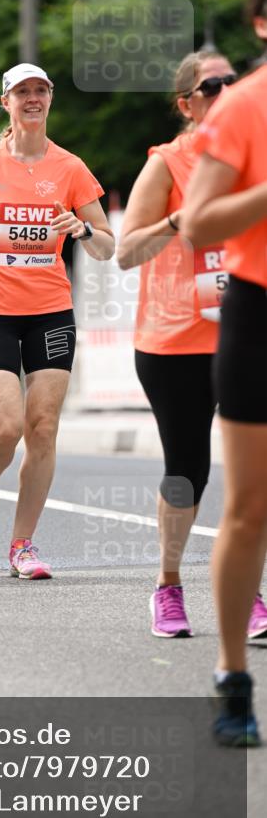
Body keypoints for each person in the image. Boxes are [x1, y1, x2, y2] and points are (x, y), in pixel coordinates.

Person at [0, 63, 114, 578]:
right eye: (23, 93)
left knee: (43, 428)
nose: (32, 99)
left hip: (50, 311)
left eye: (40, 91)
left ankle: (23, 545)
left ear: (50, 100)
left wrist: (82, 228)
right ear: (6, 104)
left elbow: (107, 245)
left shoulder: (70, 168)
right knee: (6, 427)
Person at [117, 50, 267, 642]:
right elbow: (125, 253)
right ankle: (168, 585)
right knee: (188, 470)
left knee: (253, 475)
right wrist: (180, 222)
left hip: (244, 329)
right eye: (213, 85)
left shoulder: (253, 154)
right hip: (174, 341)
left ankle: (248, 594)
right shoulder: (167, 164)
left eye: (235, 81)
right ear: (186, 103)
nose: (227, 90)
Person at [182, 0, 267, 746]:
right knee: (249, 509)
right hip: (258, 312)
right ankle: (232, 672)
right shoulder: (242, 107)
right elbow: (198, 225)